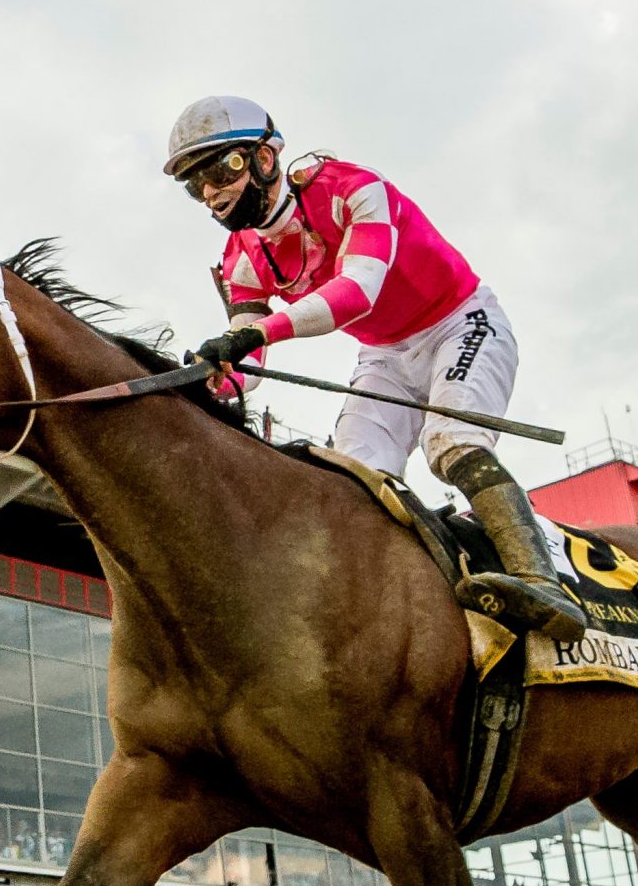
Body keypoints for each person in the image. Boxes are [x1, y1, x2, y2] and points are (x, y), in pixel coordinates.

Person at [165, 95, 586, 642]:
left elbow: (357, 292)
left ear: (265, 159)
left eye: (222, 171)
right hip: (384, 353)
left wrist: (255, 333)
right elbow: (250, 362)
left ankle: (542, 582)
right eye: (196, 185)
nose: (211, 193)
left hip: (460, 321)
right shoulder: (240, 258)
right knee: (353, 477)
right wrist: (219, 378)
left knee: (452, 442)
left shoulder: (351, 188)